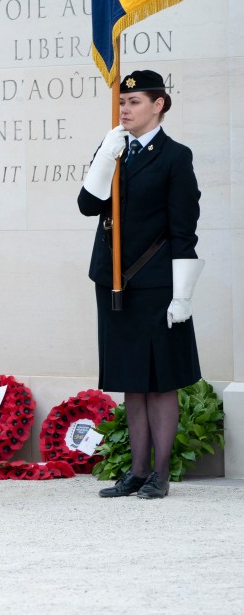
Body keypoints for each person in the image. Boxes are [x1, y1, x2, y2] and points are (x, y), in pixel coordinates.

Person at [79, 69, 203, 500]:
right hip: (113, 281)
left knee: (160, 379)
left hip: (155, 284)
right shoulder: (113, 148)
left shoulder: (175, 156)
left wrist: (182, 293)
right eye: (121, 102)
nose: (125, 109)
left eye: (133, 102)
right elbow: (87, 205)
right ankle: (136, 471)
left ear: (159, 105)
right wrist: (104, 158)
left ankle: (161, 473)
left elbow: (184, 228)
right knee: (132, 377)